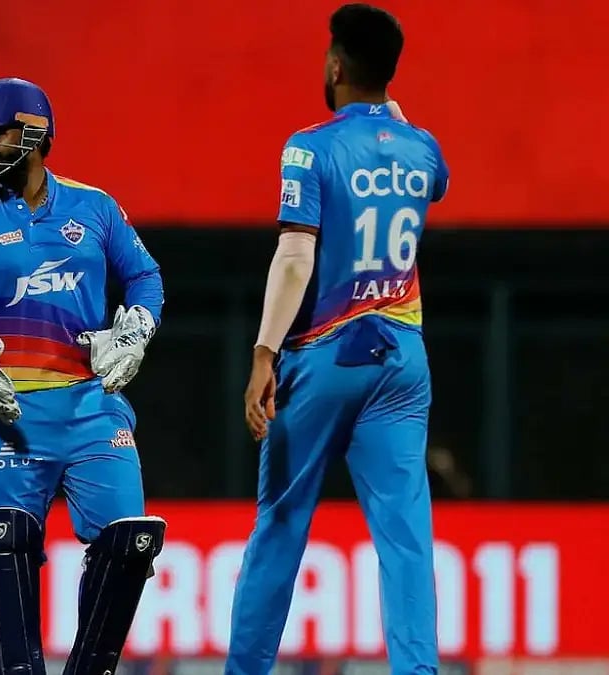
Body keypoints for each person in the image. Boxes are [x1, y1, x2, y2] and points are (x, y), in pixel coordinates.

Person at [0, 76, 167, 675]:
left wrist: (135, 330)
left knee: (129, 541)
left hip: (91, 409)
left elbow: (145, 278)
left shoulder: (95, 207)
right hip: (7, 419)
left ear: (33, 134)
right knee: (5, 545)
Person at [228, 5, 449, 674]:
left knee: (283, 525)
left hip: (328, 353)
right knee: (407, 536)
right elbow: (431, 180)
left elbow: (296, 256)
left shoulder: (310, 146)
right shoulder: (424, 148)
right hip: (403, 359)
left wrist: (265, 351)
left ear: (335, 66)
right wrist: (393, 119)